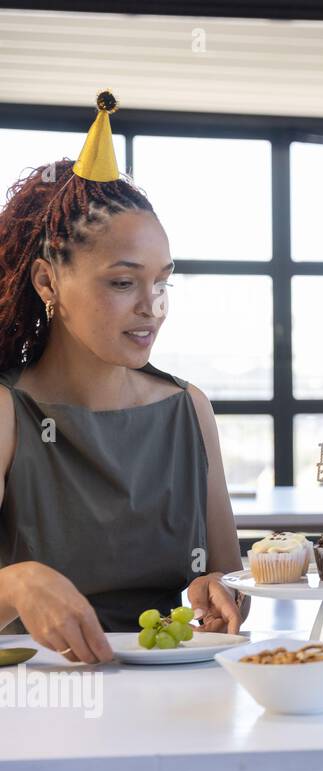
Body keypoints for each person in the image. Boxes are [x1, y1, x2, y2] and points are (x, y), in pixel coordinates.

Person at [0, 92, 246, 663]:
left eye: (162, 282)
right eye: (122, 283)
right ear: (46, 282)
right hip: (40, 705)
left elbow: (225, 575)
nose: (152, 306)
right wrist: (15, 584)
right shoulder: (9, 413)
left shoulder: (189, 409)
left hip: (181, 695)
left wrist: (220, 592)